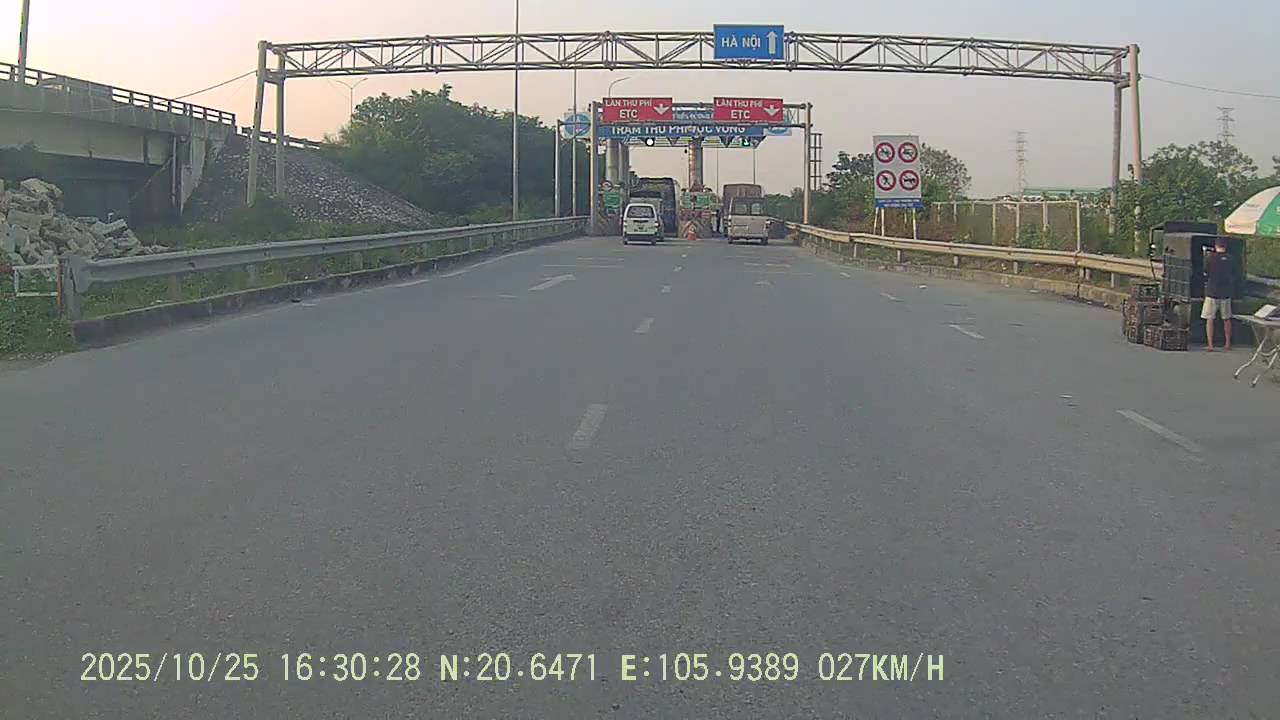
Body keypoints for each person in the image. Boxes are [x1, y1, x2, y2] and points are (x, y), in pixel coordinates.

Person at [1202, 238, 1234, 351]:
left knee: (1210, 318)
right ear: (1225, 246)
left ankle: (1210, 345)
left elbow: (1205, 271)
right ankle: (1227, 343)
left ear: (1216, 246)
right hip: (1226, 292)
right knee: (1227, 318)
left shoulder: (1210, 258)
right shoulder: (1230, 259)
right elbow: (1234, 272)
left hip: (1212, 292)